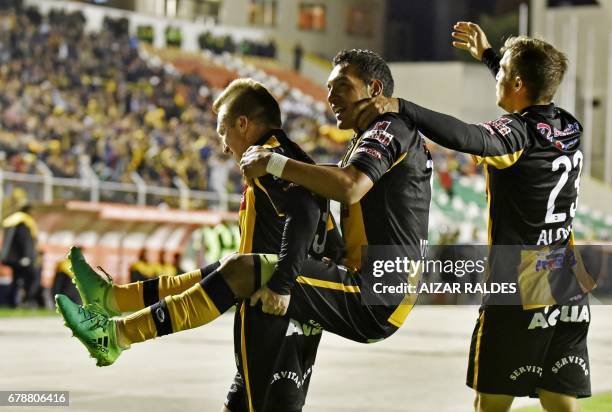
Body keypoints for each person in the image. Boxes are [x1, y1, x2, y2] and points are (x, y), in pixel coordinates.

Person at [57, 78, 343, 412]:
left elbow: (307, 213)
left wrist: (282, 284)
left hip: (273, 314)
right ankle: (114, 300)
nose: (223, 145)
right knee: (220, 274)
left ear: (243, 124)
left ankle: (115, 333)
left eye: (223, 131)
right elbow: (330, 240)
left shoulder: (267, 158)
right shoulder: (296, 160)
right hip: (282, 305)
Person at [352, 22, 592, 412]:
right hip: (567, 276)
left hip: (521, 283)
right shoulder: (568, 125)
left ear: (515, 83)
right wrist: (488, 56)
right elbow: (523, 90)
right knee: (559, 398)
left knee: (491, 400)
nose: (496, 76)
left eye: (502, 73)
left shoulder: (517, 135)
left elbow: (467, 136)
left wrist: (403, 107)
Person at [1, 189, 40, 307]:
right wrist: (27, 256)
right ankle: (24, 301)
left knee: (16, 280)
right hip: (21, 259)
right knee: (28, 278)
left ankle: (12, 302)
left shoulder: (13, 220)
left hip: (13, 258)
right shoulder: (23, 221)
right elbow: (25, 241)